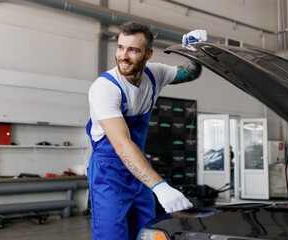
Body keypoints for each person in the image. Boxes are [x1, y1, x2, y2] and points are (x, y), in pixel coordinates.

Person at [86, 22, 207, 240]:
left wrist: (195, 52)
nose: (123, 56)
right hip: (108, 175)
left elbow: (189, 73)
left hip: (139, 171)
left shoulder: (155, 74)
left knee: (148, 233)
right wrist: (160, 186)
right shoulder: (105, 88)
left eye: (133, 50)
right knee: (111, 235)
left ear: (148, 53)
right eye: (120, 47)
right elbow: (122, 145)